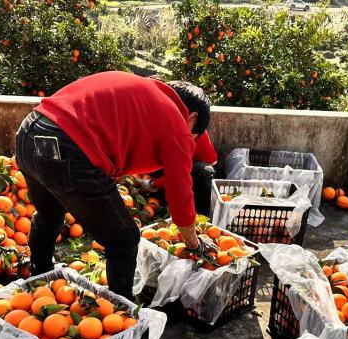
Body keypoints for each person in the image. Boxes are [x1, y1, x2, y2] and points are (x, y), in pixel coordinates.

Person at [15, 71, 216, 299]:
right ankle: (122, 314)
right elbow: (181, 194)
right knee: (124, 239)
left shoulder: (144, 92)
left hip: (29, 132)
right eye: (194, 135)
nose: (190, 139)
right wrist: (194, 243)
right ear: (192, 118)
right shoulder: (177, 123)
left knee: (49, 215)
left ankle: (39, 277)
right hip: (69, 147)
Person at [143, 131, 218, 215]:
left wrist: (153, 184)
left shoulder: (185, 133)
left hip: (195, 180)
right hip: (175, 173)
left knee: (203, 171)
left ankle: (204, 215)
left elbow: (180, 173)